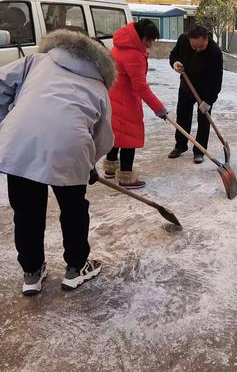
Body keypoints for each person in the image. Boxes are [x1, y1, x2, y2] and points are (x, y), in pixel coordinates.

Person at [0, 30, 115, 296]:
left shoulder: (36, 62)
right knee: (74, 209)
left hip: (21, 141)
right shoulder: (99, 87)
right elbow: (104, 138)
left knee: (27, 210)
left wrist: (8, 120)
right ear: (101, 62)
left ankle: (31, 273)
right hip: (70, 148)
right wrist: (89, 165)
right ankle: (76, 267)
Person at [103, 19, 168, 189]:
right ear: (143, 37)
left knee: (116, 132)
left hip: (112, 95)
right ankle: (126, 176)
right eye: (151, 40)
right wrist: (159, 108)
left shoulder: (119, 46)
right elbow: (141, 87)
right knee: (129, 135)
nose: (151, 44)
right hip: (126, 99)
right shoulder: (134, 55)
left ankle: (110, 167)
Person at [168, 26, 223, 164]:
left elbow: (217, 80)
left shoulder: (215, 52)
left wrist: (209, 101)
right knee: (182, 116)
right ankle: (180, 146)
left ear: (206, 39)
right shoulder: (183, 40)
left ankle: (199, 151)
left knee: (204, 121)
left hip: (205, 91)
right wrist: (175, 63)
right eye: (194, 47)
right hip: (187, 86)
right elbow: (174, 55)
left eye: (201, 47)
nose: (198, 49)